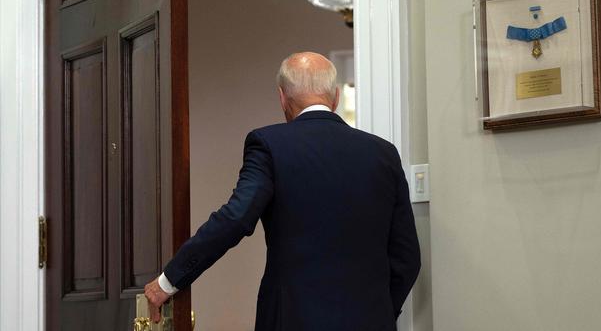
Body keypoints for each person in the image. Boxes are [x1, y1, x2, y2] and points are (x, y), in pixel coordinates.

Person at [144, 52, 421, 331]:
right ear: (335, 97)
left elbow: (236, 218)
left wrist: (169, 280)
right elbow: (407, 258)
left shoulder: (269, 144)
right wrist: (380, 312)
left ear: (283, 98)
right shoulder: (384, 153)